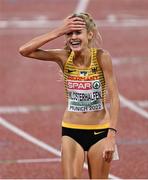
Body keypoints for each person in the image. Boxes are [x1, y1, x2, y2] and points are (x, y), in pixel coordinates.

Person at [19, 12, 120, 179]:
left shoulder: (102, 57)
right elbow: (24, 50)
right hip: (72, 131)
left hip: (100, 131)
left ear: (89, 34)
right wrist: (58, 31)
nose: (73, 37)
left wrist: (111, 136)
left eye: (78, 32)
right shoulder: (64, 57)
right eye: (69, 33)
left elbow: (115, 98)